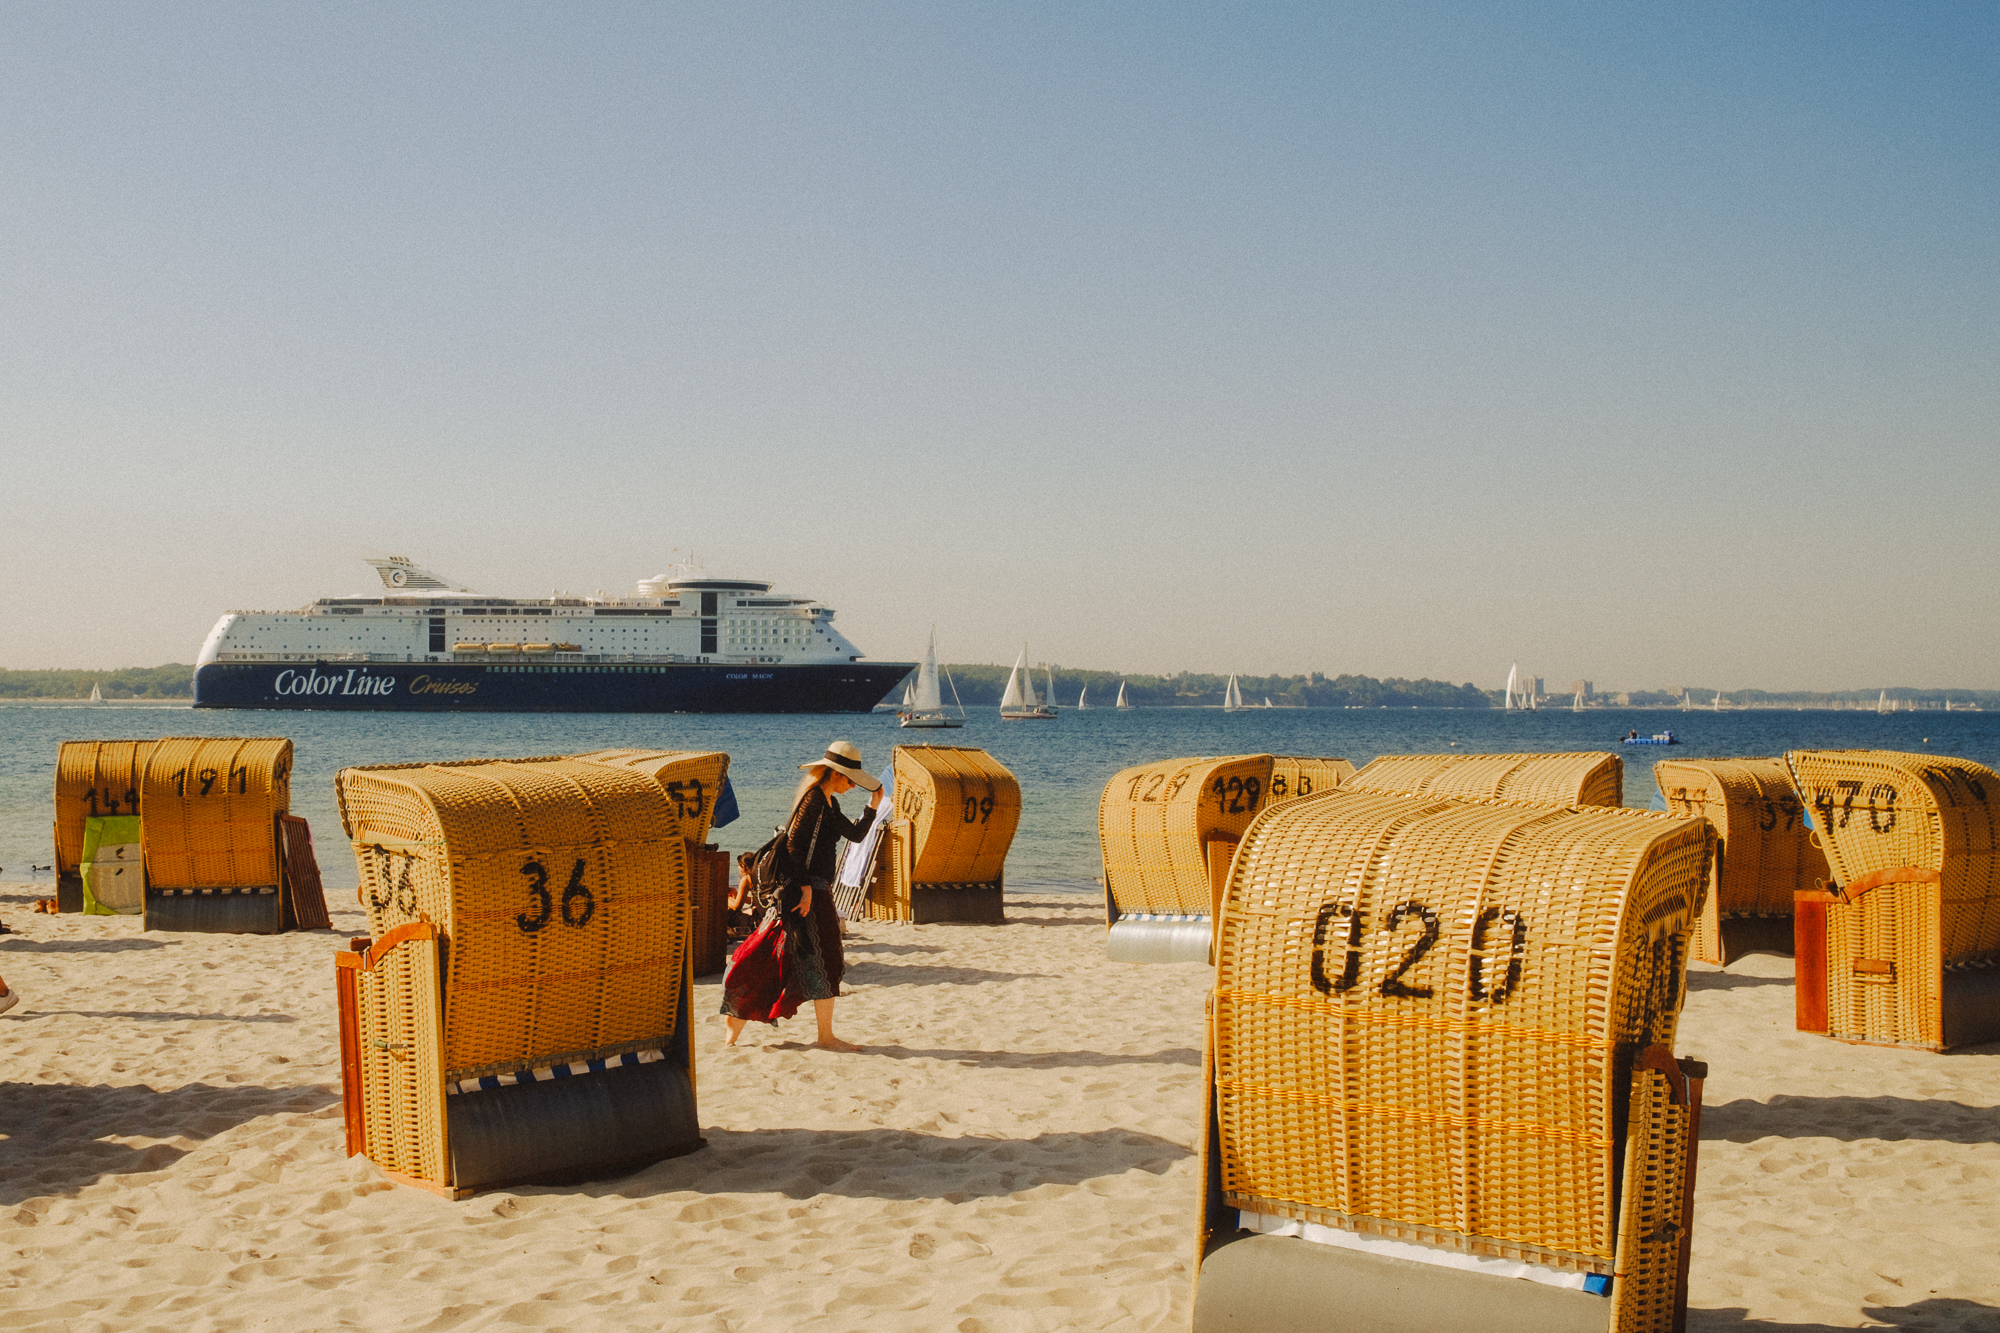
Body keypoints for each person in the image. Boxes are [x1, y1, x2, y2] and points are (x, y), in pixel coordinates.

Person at [723, 740, 883, 1051]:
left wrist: (874, 804)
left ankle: (740, 1018)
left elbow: (856, 834)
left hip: (811, 889)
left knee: (783, 953)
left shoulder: (827, 803)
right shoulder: (813, 802)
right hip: (805, 891)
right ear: (835, 774)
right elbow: (794, 848)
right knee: (820, 958)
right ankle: (821, 1036)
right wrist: (807, 888)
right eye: (850, 779)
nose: (852, 785)